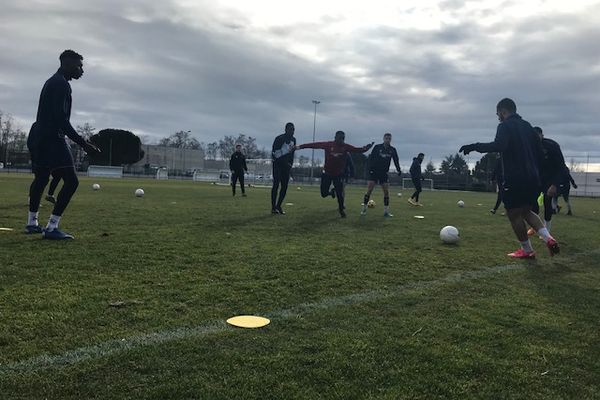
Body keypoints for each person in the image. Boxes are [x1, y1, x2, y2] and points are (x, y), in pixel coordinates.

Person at [459, 98, 559, 258]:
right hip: (533, 178)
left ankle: (527, 250)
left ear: (503, 111)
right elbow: (540, 153)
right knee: (526, 211)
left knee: (513, 214)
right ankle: (549, 238)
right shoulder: (528, 127)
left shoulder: (504, 126)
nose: (498, 117)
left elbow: (499, 146)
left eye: (498, 113)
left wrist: (474, 146)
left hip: (514, 178)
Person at [26, 50, 100, 240]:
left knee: (41, 178)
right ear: (66, 64)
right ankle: (52, 227)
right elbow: (61, 120)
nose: (81, 70)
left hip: (38, 135)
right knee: (71, 181)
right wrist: (84, 144)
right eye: (79, 66)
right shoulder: (61, 85)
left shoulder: (52, 81)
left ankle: (32, 222)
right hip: (52, 137)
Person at [297, 131, 373, 218]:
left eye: (343, 138)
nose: (342, 140)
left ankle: (341, 210)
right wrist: (299, 147)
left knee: (340, 194)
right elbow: (313, 145)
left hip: (338, 174)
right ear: (335, 137)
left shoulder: (345, 147)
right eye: (340, 138)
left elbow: (357, 150)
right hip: (327, 173)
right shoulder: (328, 144)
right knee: (323, 194)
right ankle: (331, 192)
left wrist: (366, 148)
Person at [529, 126, 569, 234]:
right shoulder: (530, 146)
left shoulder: (552, 146)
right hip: (537, 178)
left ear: (542, 135)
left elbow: (561, 166)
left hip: (551, 178)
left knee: (547, 201)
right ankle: (535, 225)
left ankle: (547, 229)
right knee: (532, 202)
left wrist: (555, 184)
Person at [361, 133, 401, 217]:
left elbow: (396, 160)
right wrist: (369, 170)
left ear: (391, 139)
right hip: (374, 172)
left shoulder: (392, 149)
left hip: (383, 173)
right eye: (386, 138)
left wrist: (398, 170)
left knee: (386, 192)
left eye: (389, 138)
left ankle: (386, 212)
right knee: (369, 190)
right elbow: (371, 158)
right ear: (383, 139)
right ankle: (364, 209)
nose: (387, 140)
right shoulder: (377, 147)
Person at [271, 122, 296, 214]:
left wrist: (290, 164)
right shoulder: (279, 138)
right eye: (290, 129)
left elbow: (292, 153)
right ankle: (273, 207)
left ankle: (279, 205)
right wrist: (285, 163)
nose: (292, 131)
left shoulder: (293, 140)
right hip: (278, 165)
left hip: (286, 167)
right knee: (276, 185)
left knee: (284, 186)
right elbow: (275, 153)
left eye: (293, 129)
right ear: (285, 129)